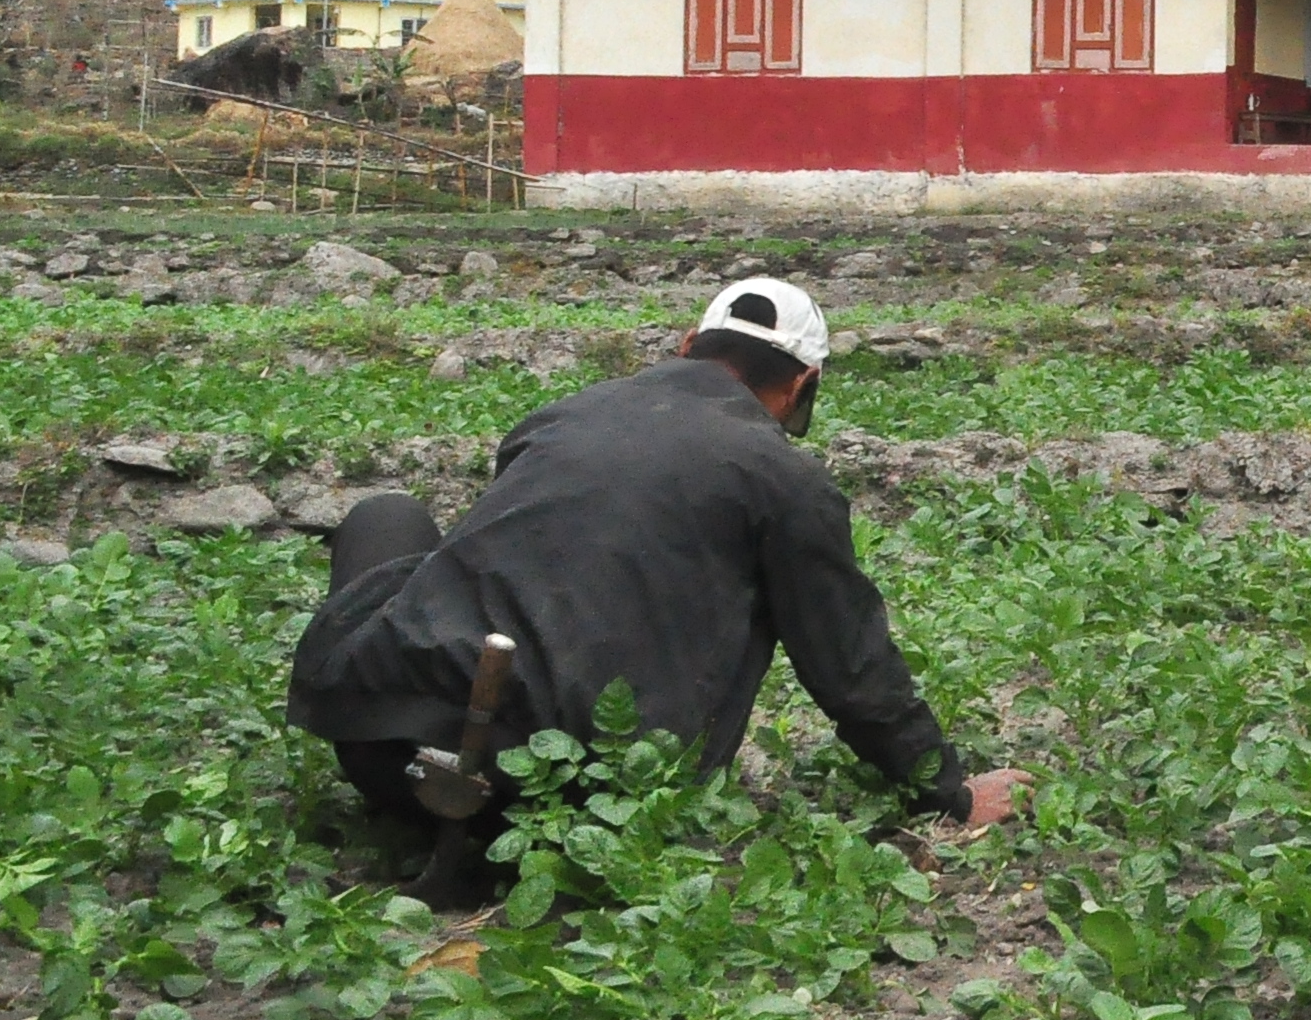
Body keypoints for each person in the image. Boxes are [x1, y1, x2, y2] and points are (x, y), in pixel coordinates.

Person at [286, 278, 1026, 858]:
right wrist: (949, 790)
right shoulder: (784, 478)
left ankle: (407, 740)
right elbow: (848, 664)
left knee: (387, 516)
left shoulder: (559, 417)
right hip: (575, 796)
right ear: (802, 385)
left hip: (381, 751)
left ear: (686, 345)